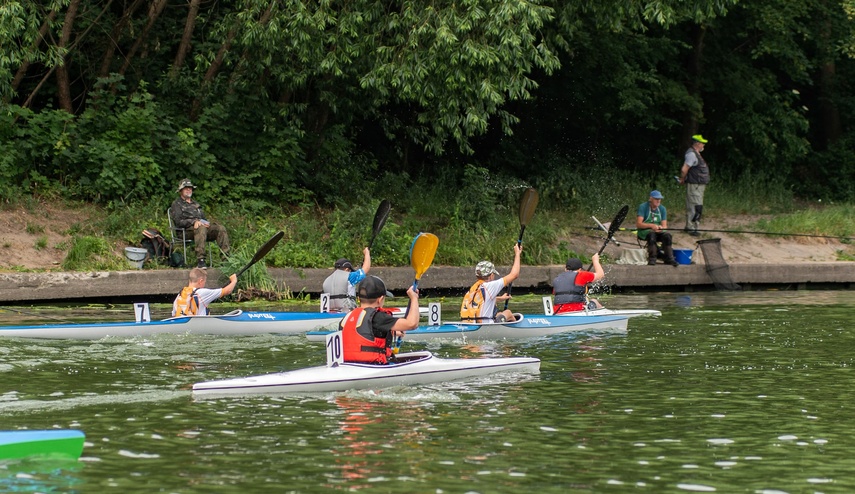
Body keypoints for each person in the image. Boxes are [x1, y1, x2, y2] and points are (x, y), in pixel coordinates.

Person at [340, 275, 420, 364]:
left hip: (346, 365)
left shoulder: (347, 317)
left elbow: (363, 332)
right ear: (380, 299)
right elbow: (412, 324)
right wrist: (414, 298)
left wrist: (392, 331)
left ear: (359, 299)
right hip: (372, 365)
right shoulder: (378, 317)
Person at [170, 178, 230, 269]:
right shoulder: (176, 204)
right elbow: (178, 222)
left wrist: (206, 223)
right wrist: (193, 222)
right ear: (181, 190)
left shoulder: (196, 204)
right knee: (200, 228)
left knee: (220, 228)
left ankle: (226, 259)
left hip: (201, 230)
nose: (189, 189)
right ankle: (201, 260)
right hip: (185, 231)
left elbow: (203, 218)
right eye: (186, 188)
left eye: (190, 188)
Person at [460, 244, 522, 323]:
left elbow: (482, 302)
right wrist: (517, 254)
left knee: (499, 313)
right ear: (491, 275)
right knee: (508, 313)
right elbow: (514, 275)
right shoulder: (490, 286)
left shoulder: (474, 288)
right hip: (485, 327)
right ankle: (512, 328)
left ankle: (501, 321)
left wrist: (500, 299)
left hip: (469, 325)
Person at [678, 134, 710, 236]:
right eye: (702, 143)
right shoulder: (691, 154)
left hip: (698, 186)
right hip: (694, 185)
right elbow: (684, 169)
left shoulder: (696, 153)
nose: (704, 145)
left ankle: (693, 226)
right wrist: (682, 179)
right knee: (694, 206)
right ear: (697, 143)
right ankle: (691, 228)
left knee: (697, 206)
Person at [637, 190, 678, 266]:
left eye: (659, 199)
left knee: (667, 235)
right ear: (650, 199)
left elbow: (665, 226)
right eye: (656, 199)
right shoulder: (643, 207)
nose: (658, 201)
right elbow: (639, 224)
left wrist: (661, 228)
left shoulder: (662, 209)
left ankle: (669, 258)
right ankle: (652, 258)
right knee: (652, 234)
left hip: (658, 231)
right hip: (645, 231)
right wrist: (651, 226)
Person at [172, 267, 238, 316]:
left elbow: (174, 314)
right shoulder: (202, 293)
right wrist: (234, 280)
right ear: (200, 281)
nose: (204, 284)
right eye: (204, 282)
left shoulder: (180, 295)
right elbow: (227, 291)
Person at [322, 247, 372, 312]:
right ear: (347, 269)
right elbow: (366, 268)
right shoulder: (349, 276)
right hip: (347, 313)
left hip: (329, 314)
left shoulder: (326, 280)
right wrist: (367, 253)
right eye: (350, 271)